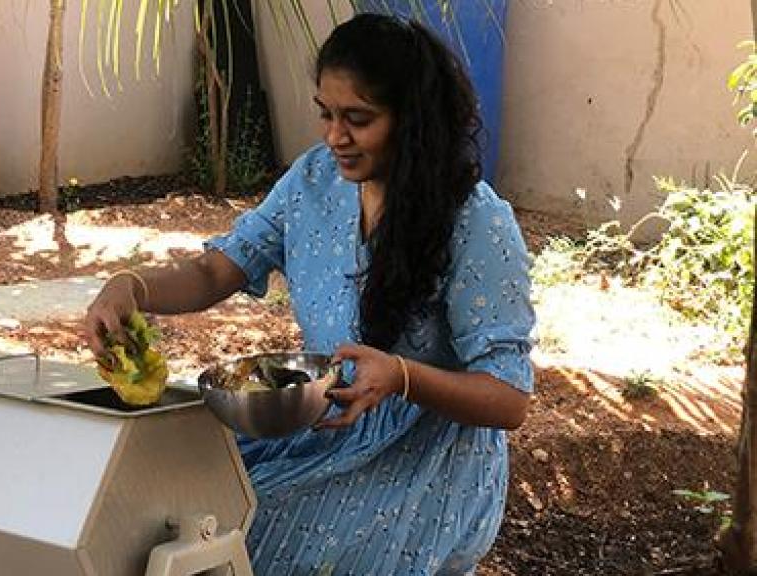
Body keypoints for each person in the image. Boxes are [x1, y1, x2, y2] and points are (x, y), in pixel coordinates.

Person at [82, 13, 535, 575]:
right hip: (322, 432)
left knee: (246, 531)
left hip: (426, 464)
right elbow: (217, 271)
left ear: (411, 121)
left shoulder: (476, 223)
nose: (334, 137)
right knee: (167, 505)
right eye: (326, 114)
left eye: (358, 119)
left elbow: (509, 399)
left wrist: (402, 375)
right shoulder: (314, 182)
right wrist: (132, 287)